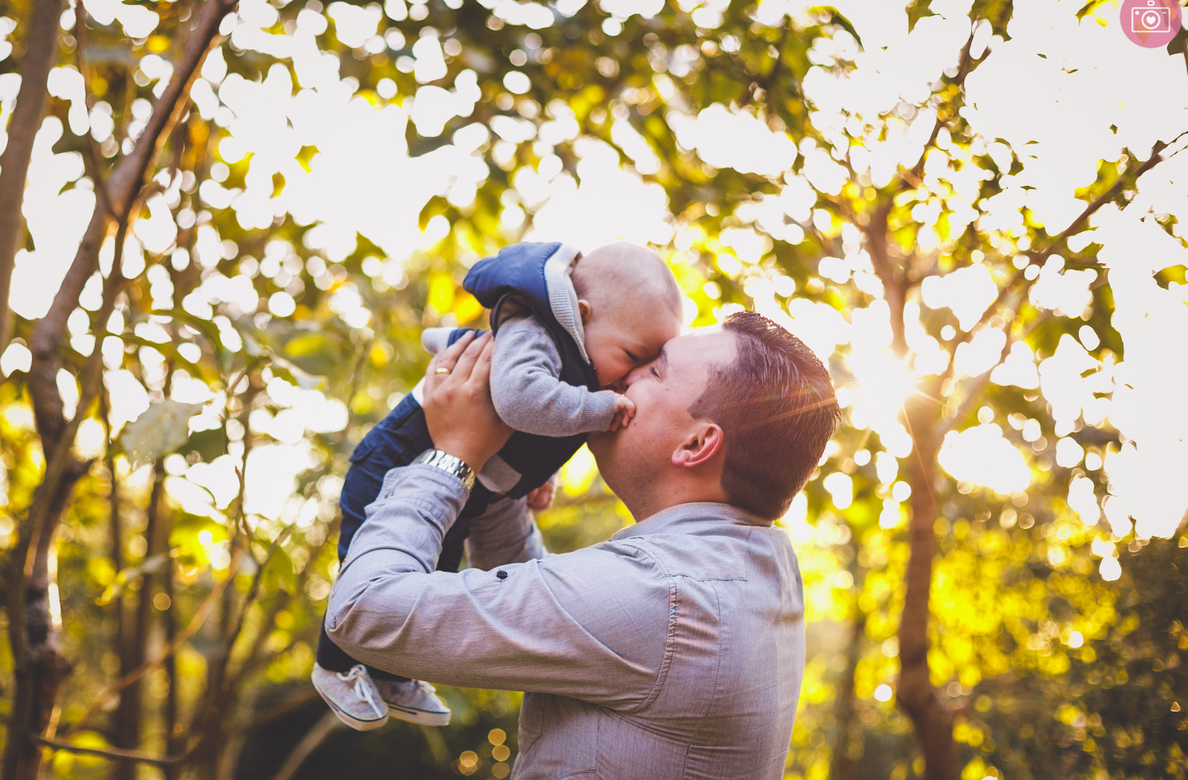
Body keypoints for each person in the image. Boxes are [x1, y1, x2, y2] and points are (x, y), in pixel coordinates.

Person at [325, 311, 841, 778]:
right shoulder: (751, 569)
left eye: (653, 370)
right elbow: (553, 613)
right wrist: (505, 478)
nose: (621, 377)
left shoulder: (667, 597)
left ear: (696, 444)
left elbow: (364, 609)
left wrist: (451, 455)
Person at [312, 241, 683, 731]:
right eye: (634, 355)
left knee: (431, 575)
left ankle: (389, 672)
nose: (631, 376)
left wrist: (538, 477)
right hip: (395, 462)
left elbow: (533, 431)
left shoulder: (583, 355)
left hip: (458, 486)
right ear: (583, 314)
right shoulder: (536, 331)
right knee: (368, 560)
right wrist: (599, 409)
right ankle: (333, 667)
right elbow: (517, 400)